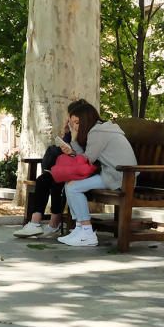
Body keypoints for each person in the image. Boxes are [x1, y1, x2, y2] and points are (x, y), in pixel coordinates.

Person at [56, 99, 136, 248]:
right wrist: (73, 147)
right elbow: (86, 158)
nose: (74, 126)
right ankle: (80, 229)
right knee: (71, 185)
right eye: (72, 123)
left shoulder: (97, 132)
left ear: (86, 120)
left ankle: (86, 231)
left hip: (119, 176)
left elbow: (86, 160)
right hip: (116, 173)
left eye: (77, 122)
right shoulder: (100, 129)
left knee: (73, 187)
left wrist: (73, 140)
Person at [13, 123, 73, 238]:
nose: (72, 124)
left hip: (76, 172)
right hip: (61, 168)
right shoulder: (69, 133)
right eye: (70, 120)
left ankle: (54, 224)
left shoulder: (89, 134)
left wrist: (72, 151)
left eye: (76, 121)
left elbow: (86, 156)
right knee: (42, 180)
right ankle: (34, 223)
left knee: (58, 183)